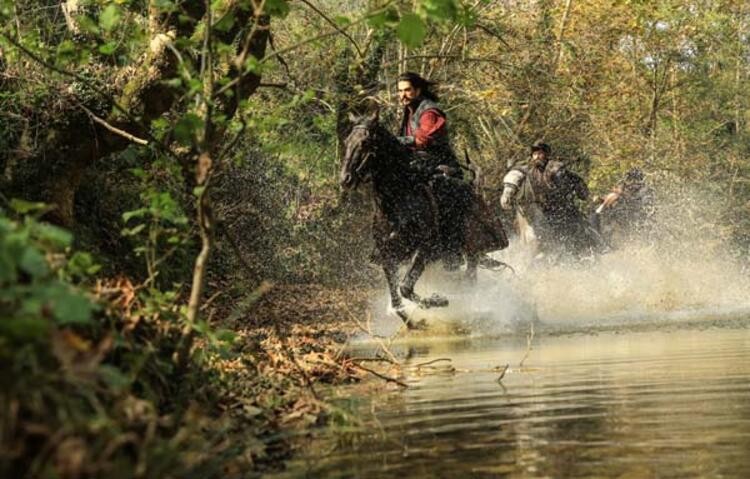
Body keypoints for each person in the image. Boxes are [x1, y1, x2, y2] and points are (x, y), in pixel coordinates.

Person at [396, 72, 471, 269]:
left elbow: (422, 140)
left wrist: (395, 141)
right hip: (417, 166)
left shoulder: (430, 112)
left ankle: (451, 249)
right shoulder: (407, 112)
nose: (403, 95)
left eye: (407, 90)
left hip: (441, 167)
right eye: (400, 91)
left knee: (443, 191)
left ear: (418, 90)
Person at [500, 140, 594, 258]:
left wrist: (560, 180)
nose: (537, 156)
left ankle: (591, 248)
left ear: (546, 154)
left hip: (560, 209)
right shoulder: (529, 169)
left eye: (540, 153)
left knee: (577, 226)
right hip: (541, 210)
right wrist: (508, 192)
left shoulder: (555, 168)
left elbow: (569, 189)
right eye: (535, 154)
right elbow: (517, 173)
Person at [590, 167, 655, 247]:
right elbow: (611, 198)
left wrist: (621, 194)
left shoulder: (645, 190)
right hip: (625, 219)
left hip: (637, 220)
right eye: (630, 180)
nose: (631, 184)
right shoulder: (627, 188)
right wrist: (601, 199)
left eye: (632, 180)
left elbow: (639, 204)